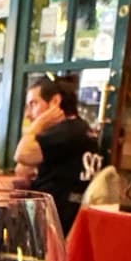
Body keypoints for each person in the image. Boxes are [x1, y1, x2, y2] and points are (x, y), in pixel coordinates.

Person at [14, 76, 104, 225]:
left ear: (55, 102)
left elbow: (21, 154)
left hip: (53, 221)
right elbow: (22, 169)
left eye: (33, 104)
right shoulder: (81, 128)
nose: (28, 114)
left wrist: (37, 125)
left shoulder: (65, 132)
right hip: (70, 219)